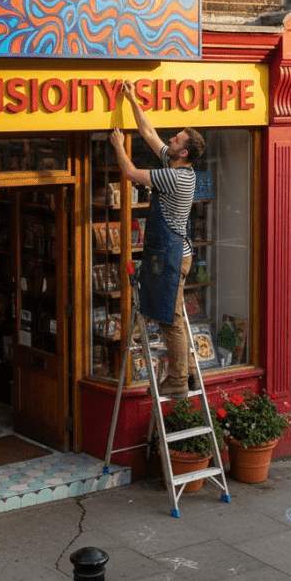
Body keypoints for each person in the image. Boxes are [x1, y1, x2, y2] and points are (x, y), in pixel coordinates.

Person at [110, 79, 206, 399]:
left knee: (169, 319)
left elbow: (131, 174)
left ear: (184, 151)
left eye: (177, 138)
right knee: (172, 315)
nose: (171, 138)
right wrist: (132, 99)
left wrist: (117, 146)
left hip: (171, 255)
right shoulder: (174, 164)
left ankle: (178, 381)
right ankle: (190, 373)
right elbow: (149, 134)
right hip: (171, 253)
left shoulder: (175, 176)